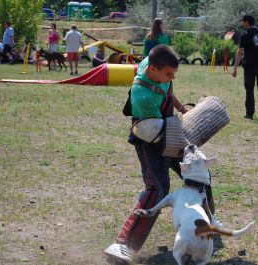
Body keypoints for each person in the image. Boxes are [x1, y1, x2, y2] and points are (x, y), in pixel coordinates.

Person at [104, 45, 196, 264]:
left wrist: (182, 109)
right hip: (149, 137)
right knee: (158, 188)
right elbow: (155, 132)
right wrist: (186, 140)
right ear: (153, 70)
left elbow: (167, 89)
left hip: (167, 129)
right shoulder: (143, 96)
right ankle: (123, 244)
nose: (172, 77)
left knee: (197, 173)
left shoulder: (155, 67)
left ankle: (205, 226)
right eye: (168, 74)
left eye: (174, 73)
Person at [232, 14, 258, 120]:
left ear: (247, 22)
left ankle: (249, 113)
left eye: (242, 21)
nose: (242, 23)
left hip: (249, 66)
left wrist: (234, 68)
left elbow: (240, 52)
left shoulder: (245, 34)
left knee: (249, 90)